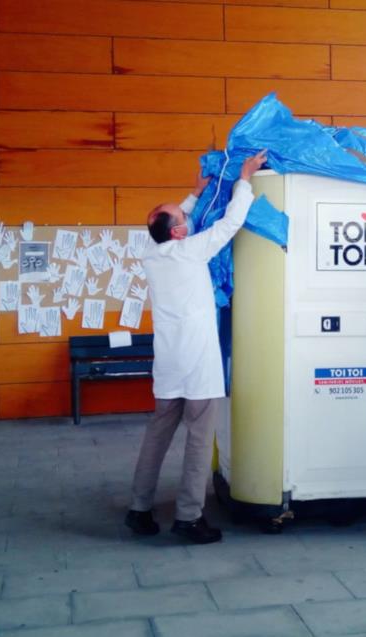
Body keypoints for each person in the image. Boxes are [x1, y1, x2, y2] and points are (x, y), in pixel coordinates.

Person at [126, 150, 267, 545]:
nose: (188, 219)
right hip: (199, 365)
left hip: (168, 365)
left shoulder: (151, 254)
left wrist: (192, 195)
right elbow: (232, 222)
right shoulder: (191, 251)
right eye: (185, 219)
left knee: (157, 436)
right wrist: (245, 177)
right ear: (179, 232)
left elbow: (162, 222)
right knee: (198, 442)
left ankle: (139, 509)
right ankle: (189, 518)